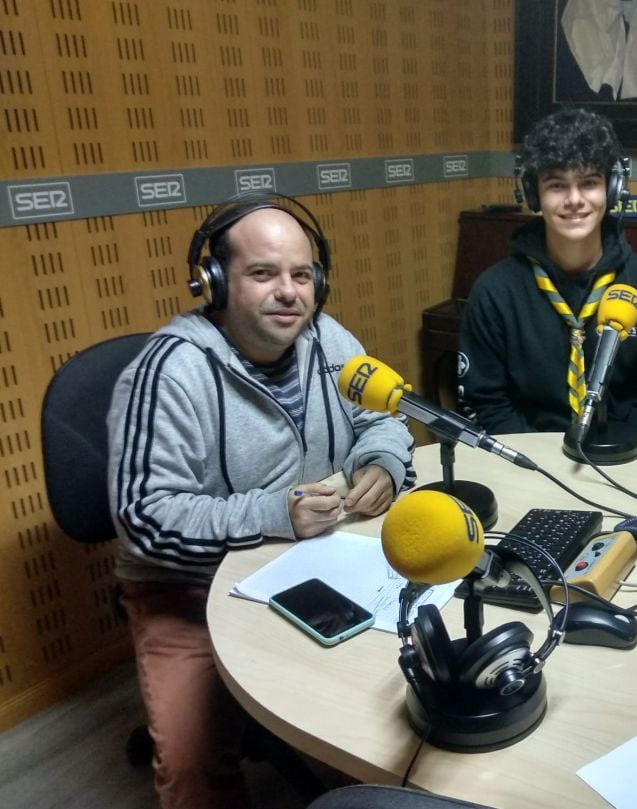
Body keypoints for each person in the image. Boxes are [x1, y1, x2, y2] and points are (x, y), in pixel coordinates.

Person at [107, 195, 416, 809]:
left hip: (323, 562)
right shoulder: (168, 371)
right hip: (187, 590)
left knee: (391, 710)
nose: (289, 292)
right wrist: (276, 513)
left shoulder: (330, 340)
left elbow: (384, 421)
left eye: (301, 275)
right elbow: (144, 515)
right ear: (215, 282)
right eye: (263, 273)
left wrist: (380, 462)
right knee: (194, 767)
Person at [458, 106, 637, 440]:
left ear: (611, 190)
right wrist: (539, 469)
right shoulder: (494, 291)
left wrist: (624, 462)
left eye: (589, 183)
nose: (575, 200)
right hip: (529, 462)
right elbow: (488, 404)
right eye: (556, 186)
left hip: (624, 459)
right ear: (534, 193)